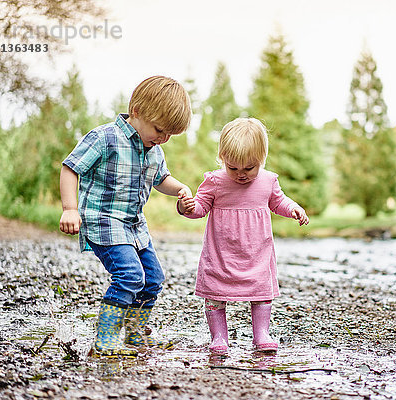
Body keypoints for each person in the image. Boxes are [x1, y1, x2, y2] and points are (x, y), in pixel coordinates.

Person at [59, 76, 193, 357]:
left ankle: (134, 335)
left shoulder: (155, 150)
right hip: (104, 222)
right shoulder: (105, 138)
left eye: (170, 135)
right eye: (160, 130)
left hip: (134, 227)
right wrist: (70, 208)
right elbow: (71, 168)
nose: (163, 139)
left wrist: (180, 188)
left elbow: (161, 179)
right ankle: (105, 338)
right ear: (138, 111)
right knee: (130, 275)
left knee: (153, 278)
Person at [177, 117, 309, 353]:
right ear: (222, 159)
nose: (241, 175)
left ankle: (261, 334)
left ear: (262, 159)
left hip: (256, 251)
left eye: (249, 168)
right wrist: (186, 208)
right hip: (222, 252)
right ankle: (219, 337)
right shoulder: (215, 181)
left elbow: (278, 202)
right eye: (232, 168)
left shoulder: (268, 181)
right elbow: (200, 207)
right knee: (215, 293)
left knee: (261, 292)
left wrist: (293, 208)